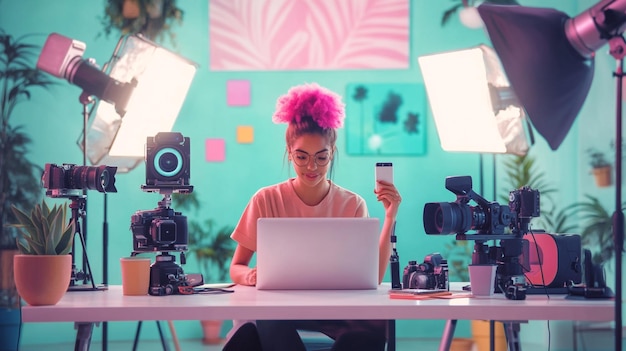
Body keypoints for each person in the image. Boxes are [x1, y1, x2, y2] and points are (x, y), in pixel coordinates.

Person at [223, 83, 402, 351]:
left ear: (332, 153)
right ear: (289, 152)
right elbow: (236, 267)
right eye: (301, 156)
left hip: (336, 311)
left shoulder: (352, 204)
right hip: (280, 310)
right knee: (270, 320)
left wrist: (390, 217)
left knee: (373, 330)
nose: (311, 167)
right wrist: (249, 276)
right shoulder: (266, 199)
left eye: (321, 157)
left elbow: (373, 277)